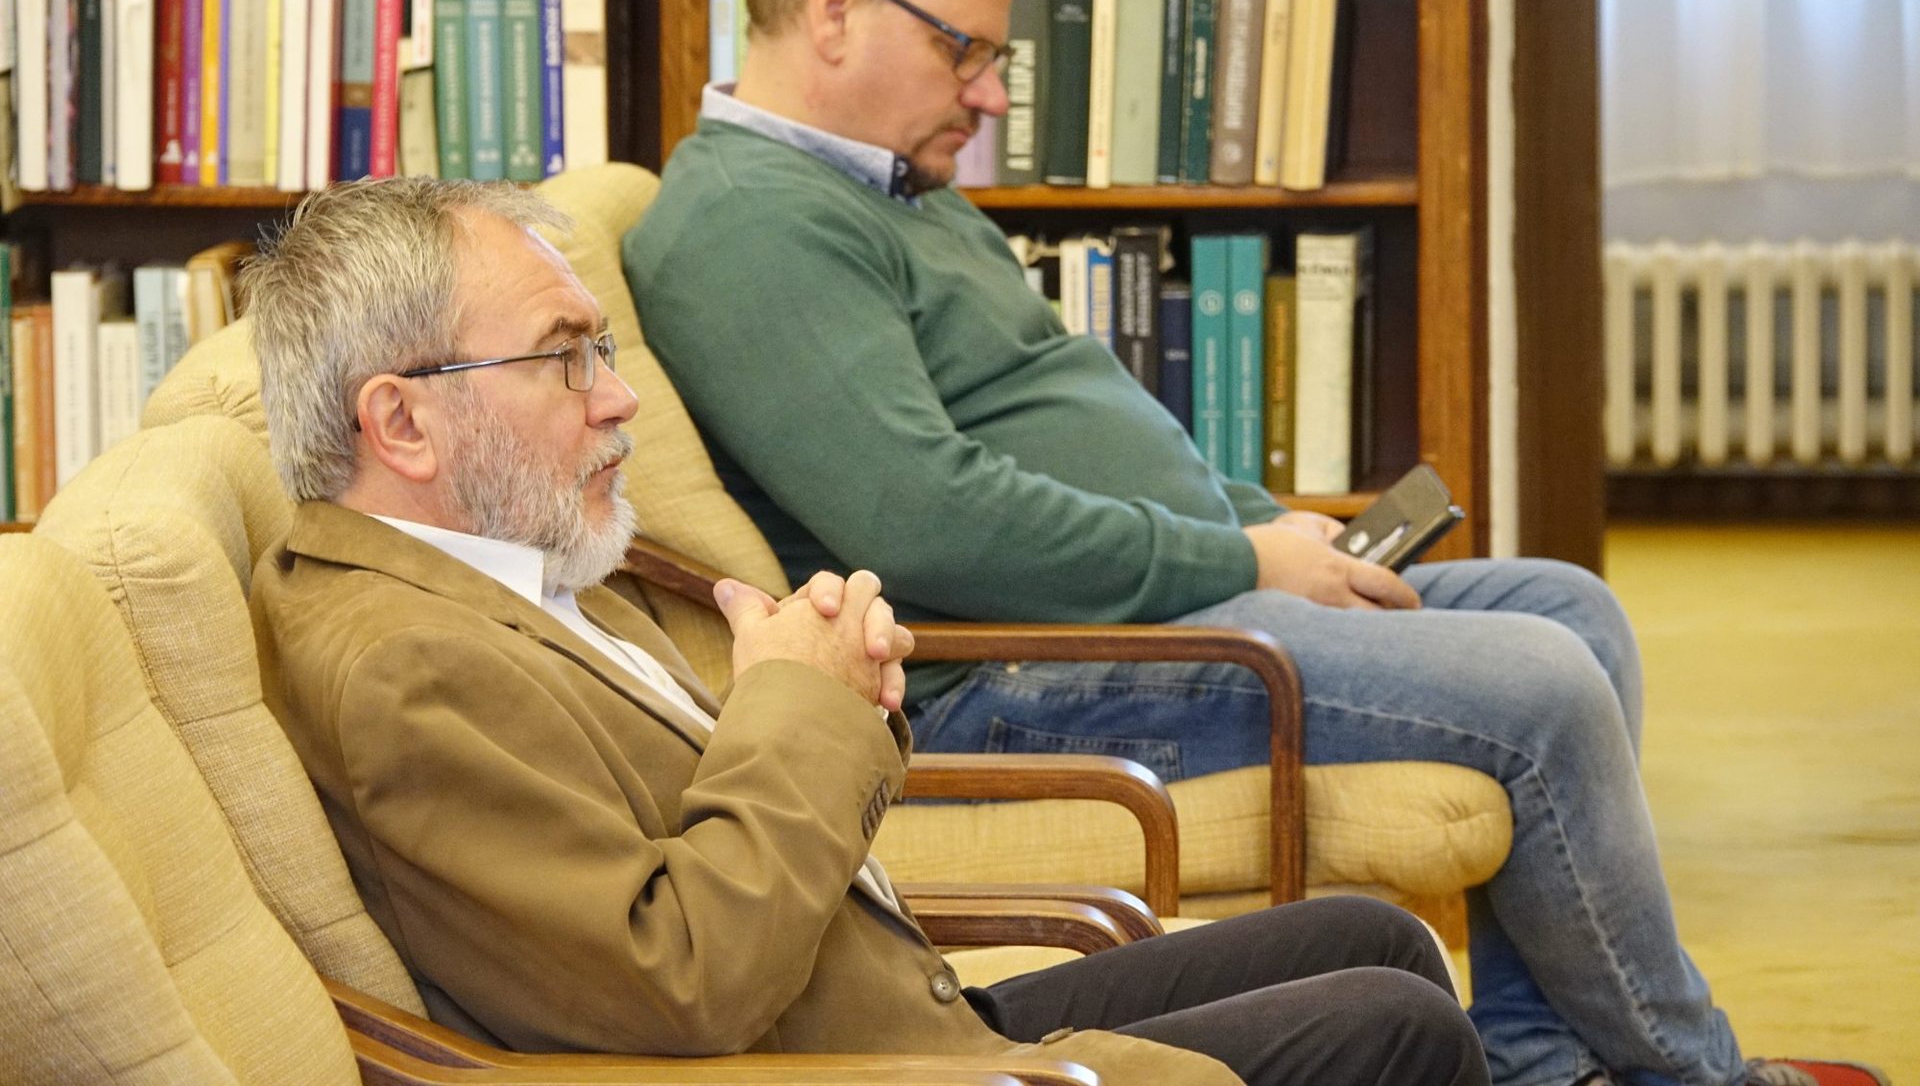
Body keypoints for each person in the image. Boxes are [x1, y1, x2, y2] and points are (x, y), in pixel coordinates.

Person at [621, 0, 1886, 1086]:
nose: (993, 95)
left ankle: (1541, 1066)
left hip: (1139, 603)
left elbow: (1061, 425)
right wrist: (1239, 557)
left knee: (1570, 608)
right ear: (834, 7)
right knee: (1545, 686)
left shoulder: (887, 188)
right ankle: (1698, 1075)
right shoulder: (750, 225)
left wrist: (1269, 526)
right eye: (967, 48)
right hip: (1018, 666)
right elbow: (924, 517)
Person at [243, 176, 1487, 1086]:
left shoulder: (510, 560)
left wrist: (845, 701)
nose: (617, 397)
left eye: (601, 349)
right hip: (842, 1063)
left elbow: (729, 831)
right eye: (563, 357)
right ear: (401, 422)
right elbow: (682, 976)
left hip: (879, 1010)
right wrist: (795, 702)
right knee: (1394, 1029)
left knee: (1375, 936)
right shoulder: (403, 667)